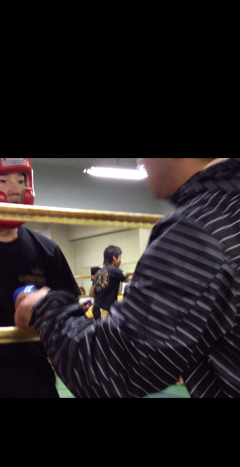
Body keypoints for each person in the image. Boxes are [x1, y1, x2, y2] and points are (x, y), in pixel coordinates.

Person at [14, 158, 240, 398]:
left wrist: (45, 305)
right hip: (109, 312)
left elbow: (110, 370)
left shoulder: (198, 230)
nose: (140, 159)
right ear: (116, 258)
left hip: (102, 312)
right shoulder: (223, 213)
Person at [0, 158, 80, 398]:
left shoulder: (47, 250)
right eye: (2, 181)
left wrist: (50, 300)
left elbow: (72, 311)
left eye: (21, 180)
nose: (15, 189)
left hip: (37, 380)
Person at [89, 246, 132, 320]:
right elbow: (132, 279)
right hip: (105, 311)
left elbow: (91, 293)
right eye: (120, 257)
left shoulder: (98, 272)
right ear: (114, 258)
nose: (120, 260)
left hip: (96, 308)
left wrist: (101, 300)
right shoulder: (115, 270)